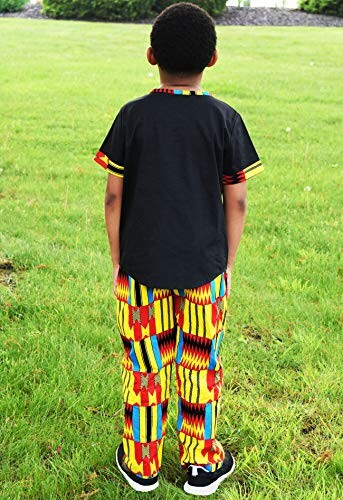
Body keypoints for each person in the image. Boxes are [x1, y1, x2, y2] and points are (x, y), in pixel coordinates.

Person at [93, 1, 264, 495]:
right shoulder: (224, 118)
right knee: (200, 363)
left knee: (145, 367)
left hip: (140, 269)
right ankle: (201, 464)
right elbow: (238, 202)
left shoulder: (132, 117)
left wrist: (118, 262)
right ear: (213, 59)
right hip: (205, 270)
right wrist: (226, 264)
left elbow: (112, 196)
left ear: (150, 56)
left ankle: (142, 462)